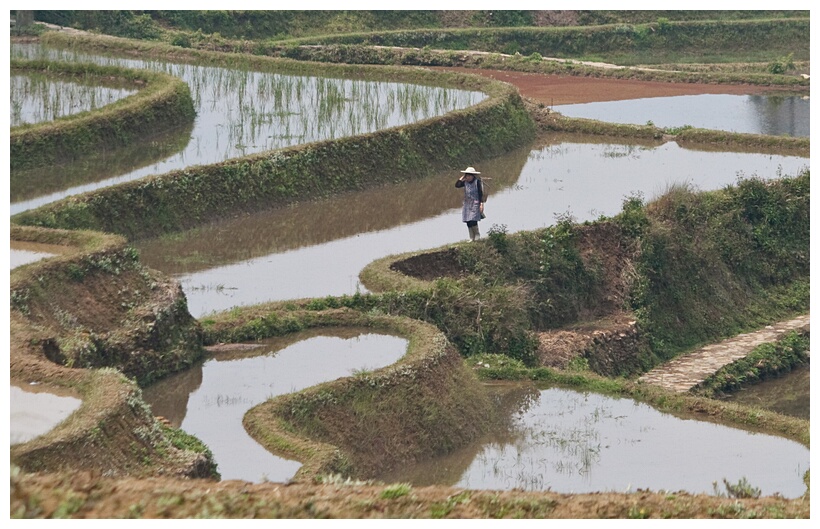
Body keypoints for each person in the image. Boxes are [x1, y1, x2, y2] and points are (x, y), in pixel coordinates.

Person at [455, 166, 486, 241]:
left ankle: (477, 234)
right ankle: (471, 237)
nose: (467, 177)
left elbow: (480, 193)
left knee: (473, 219)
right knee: (468, 221)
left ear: (473, 176)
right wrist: (461, 179)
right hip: (467, 204)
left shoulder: (477, 182)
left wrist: (481, 204)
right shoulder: (465, 182)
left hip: (475, 203)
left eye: (469, 176)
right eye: (466, 175)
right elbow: (457, 185)